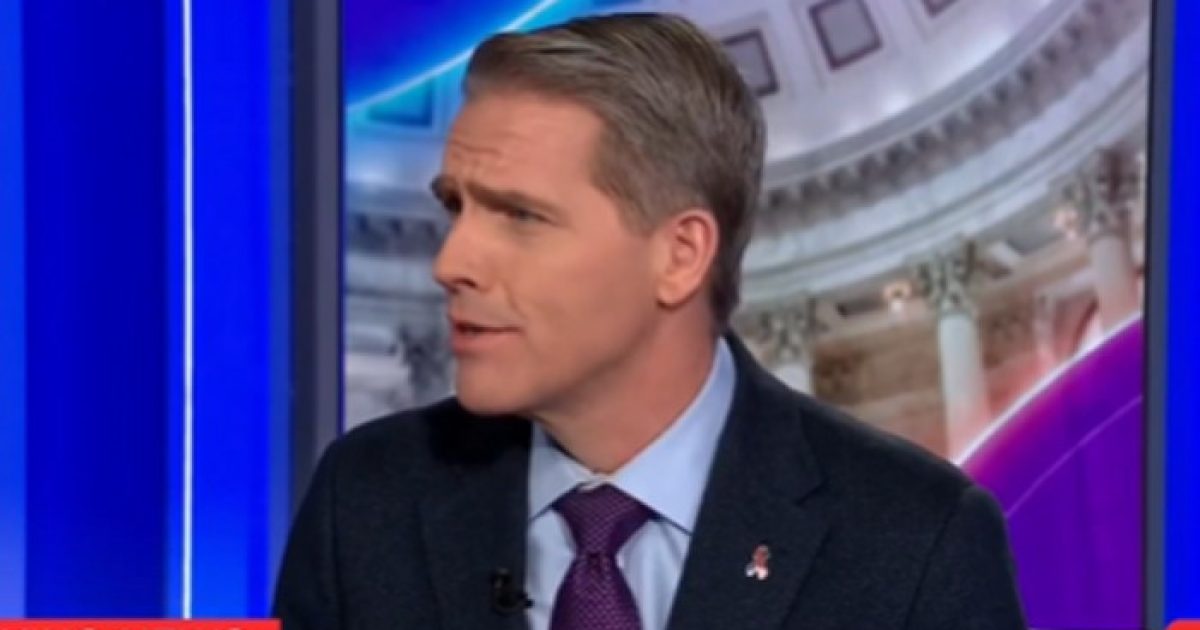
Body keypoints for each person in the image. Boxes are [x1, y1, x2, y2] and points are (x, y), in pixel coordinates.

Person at [274, 12, 1026, 630]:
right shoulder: (365, 502)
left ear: (680, 255)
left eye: (520, 216)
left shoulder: (917, 540)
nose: (451, 261)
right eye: (455, 207)